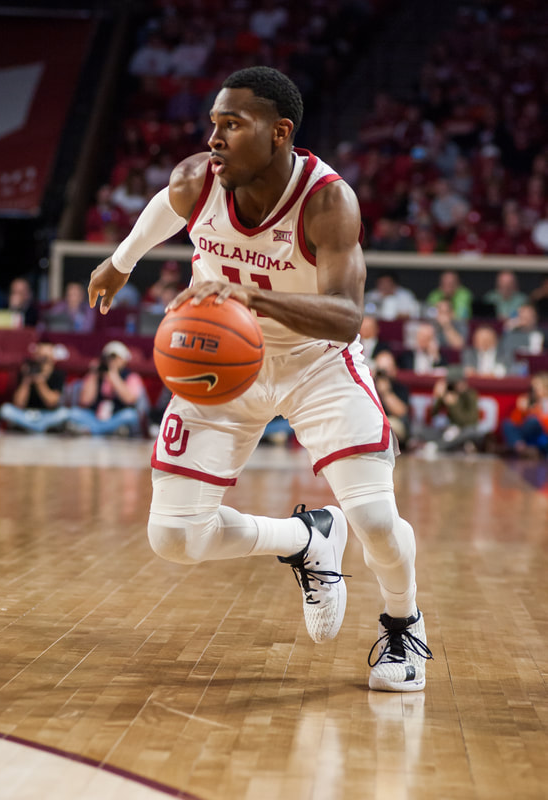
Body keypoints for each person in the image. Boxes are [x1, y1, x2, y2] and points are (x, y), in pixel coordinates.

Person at [87, 66, 432, 692]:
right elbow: (165, 209)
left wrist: (253, 298)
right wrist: (120, 261)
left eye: (233, 124)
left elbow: (346, 316)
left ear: (279, 132)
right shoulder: (197, 179)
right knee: (174, 536)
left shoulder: (328, 201)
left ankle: (403, 622)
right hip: (222, 364)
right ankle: (305, 538)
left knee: (376, 520)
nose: (215, 138)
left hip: (316, 361)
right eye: (213, 124)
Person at [66, 341, 148, 436]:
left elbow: (129, 400)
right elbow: (85, 401)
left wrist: (114, 376)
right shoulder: (96, 375)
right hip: (95, 418)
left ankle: (94, 430)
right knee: (74, 413)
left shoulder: (131, 377)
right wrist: (94, 374)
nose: (111, 361)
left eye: (115, 358)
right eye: (108, 358)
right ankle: (105, 430)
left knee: (130, 415)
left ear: (124, 360)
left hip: (117, 418)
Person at [0, 340, 69, 433]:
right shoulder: (25, 373)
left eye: (46, 358)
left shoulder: (58, 374)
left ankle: (31, 427)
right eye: (40, 356)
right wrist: (26, 380)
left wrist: (40, 381)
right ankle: (38, 427)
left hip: (47, 415)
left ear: (53, 359)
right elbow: (18, 404)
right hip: (27, 414)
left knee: (64, 413)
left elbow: (52, 402)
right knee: (6, 409)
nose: (43, 361)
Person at [501, 372, 548, 459]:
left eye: (537, 385)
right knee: (507, 424)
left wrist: (534, 410)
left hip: (541, 431)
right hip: (525, 431)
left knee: (533, 420)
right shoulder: (527, 399)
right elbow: (516, 420)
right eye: (532, 386)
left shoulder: (545, 401)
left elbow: (544, 422)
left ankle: (523, 449)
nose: (534, 389)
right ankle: (522, 449)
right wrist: (521, 410)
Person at [372, 350, 411, 449]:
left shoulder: (400, 388)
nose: (383, 374)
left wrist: (386, 393)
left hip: (393, 424)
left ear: (394, 370)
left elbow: (401, 412)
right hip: (373, 423)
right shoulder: (370, 387)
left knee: (388, 425)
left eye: (387, 369)